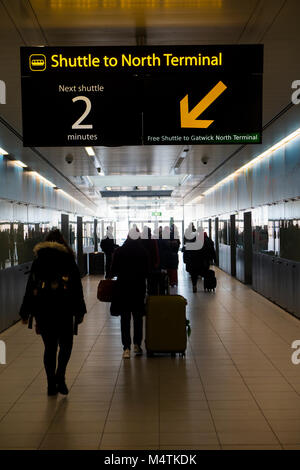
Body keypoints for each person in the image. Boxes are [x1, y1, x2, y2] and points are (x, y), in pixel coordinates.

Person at [19, 229, 87, 396]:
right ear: (62, 243)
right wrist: (80, 311)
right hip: (64, 310)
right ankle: (60, 376)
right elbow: (77, 288)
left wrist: (25, 312)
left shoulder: (38, 260)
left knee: (49, 347)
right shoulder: (68, 260)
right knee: (66, 345)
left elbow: (31, 287)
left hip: (43, 311)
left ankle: (51, 384)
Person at [110, 227, 149, 359]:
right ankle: (137, 345)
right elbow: (147, 271)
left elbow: (113, 270)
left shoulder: (119, 251)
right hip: (138, 288)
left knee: (125, 319)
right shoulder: (143, 251)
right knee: (138, 318)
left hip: (123, 288)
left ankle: (126, 348)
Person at [184, 227, 217, 293]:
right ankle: (207, 286)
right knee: (205, 273)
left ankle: (194, 285)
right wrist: (214, 259)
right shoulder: (208, 240)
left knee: (194, 274)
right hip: (204, 261)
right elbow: (212, 251)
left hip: (194, 261)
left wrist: (186, 259)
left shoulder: (193, 240)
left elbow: (187, 249)